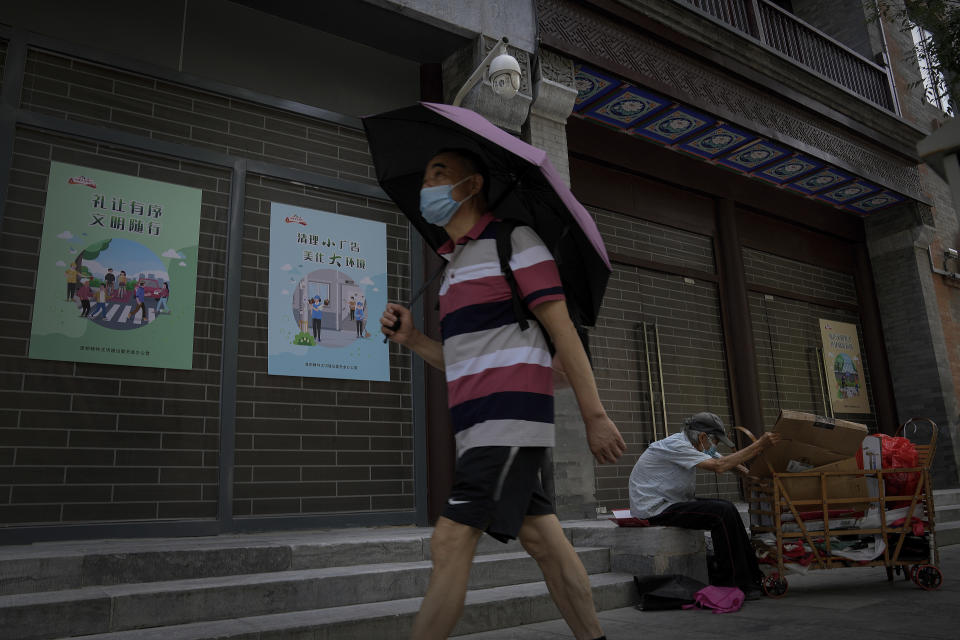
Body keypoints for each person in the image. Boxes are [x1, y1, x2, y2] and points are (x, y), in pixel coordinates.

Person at [380, 148, 625, 640]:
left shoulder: (515, 241)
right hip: (478, 429)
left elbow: (564, 331)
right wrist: (412, 339)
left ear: (471, 187)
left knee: (450, 542)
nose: (426, 182)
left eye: (438, 172)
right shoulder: (451, 268)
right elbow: (464, 360)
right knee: (545, 543)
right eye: (426, 172)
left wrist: (594, 415)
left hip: (508, 421)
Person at [628, 412, 781, 599]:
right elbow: (720, 465)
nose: (714, 446)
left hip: (672, 501)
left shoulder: (696, 445)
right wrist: (759, 445)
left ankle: (752, 577)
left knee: (727, 507)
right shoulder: (676, 445)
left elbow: (730, 464)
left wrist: (755, 478)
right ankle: (733, 582)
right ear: (702, 437)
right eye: (715, 441)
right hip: (654, 508)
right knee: (721, 513)